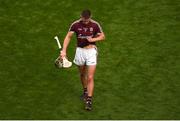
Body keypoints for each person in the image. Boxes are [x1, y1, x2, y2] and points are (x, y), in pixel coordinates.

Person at [60, 9, 105, 111]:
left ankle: (89, 100)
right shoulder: (75, 25)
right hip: (80, 51)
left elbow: (102, 36)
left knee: (90, 77)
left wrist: (93, 40)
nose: (85, 22)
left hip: (91, 52)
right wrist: (64, 51)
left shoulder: (95, 25)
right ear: (81, 16)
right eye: (83, 20)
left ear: (90, 17)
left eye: (87, 20)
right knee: (82, 74)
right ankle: (85, 91)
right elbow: (68, 37)